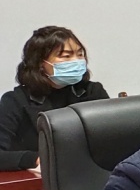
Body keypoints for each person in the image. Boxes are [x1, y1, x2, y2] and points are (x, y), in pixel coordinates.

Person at [0, 26, 108, 171]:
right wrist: (35, 159)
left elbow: (113, 139)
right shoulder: (16, 101)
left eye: (80, 54)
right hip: (40, 180)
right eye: (66, 56)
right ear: (41, 63)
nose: (76, 61)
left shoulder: (92, 92)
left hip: (92, 173)